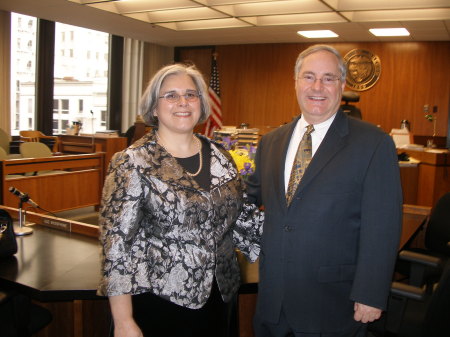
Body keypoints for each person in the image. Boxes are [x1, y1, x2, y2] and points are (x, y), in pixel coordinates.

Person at [246, 45, 403, 337]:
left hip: (333, 305)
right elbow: (250, 195)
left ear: (342, 85)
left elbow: (382, 226)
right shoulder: (271, 142)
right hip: (273, 302)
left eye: (328, 78)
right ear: (295, 82)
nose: (317, 87)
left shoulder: (373, 144)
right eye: (309, 77)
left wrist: (371, 293)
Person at [97, 63, 262, 337]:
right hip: (161, 299)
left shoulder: (221, 154)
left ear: (201, 103)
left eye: (191, 94)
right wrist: (123, 319)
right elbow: (116, 244)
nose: (183, 102)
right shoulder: (132, 162)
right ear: (153, 108)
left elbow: (241, 218)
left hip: (221, 295)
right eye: (171, 95)